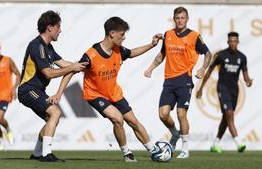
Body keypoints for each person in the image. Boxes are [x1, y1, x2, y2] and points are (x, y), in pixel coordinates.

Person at [79, 16, 162, 162]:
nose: (124, 37)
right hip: (95, 95)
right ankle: (127, 154)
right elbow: (73, 69)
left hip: (114, 93)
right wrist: (59, 92)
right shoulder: (91, 55)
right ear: (112, 33)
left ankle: (154, 151)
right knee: (117, 119)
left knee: (133, 121)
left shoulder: (118, 50)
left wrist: (152, 45)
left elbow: (132, 53)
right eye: (122, 34)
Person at [18, 10, 87, 162]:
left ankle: (37, 153)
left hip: (37, 90)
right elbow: (49, 73)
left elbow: (65, 64)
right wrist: (72, 68)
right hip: (27, 90)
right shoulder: (37, 46)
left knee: (52, 117)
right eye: (58, 27)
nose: (60, 30)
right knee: (55, 112)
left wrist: (84, 67)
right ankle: (46, 154)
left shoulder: (48, 47)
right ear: (50, 27)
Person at [144, 6, 212, 158]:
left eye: (183, 18)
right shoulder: (168, 35)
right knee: (163, 114)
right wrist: (150, 69)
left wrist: (203, 68)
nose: (180, 20)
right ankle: (175, 134)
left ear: (187, 19)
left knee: (182, 113)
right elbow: (162, 55)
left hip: (184, 80)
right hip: (169, 81)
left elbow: (208, 53)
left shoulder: (194, 36)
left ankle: (185, 148)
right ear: (174, 19)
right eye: (177, 18)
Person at [196, 32, 252, 153]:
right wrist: (200, 89)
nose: (232, 43)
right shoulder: (221, 55)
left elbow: (246, 75)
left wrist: (249, 81)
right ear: (228, 42)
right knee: (229, 114)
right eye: (230, 41)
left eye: (235, 41)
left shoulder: (242, 57)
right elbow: (209, 71)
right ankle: (238, 142)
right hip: (222, 88)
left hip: (234, 91)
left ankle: (215, 144)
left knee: (226, 118)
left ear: (238, 42)